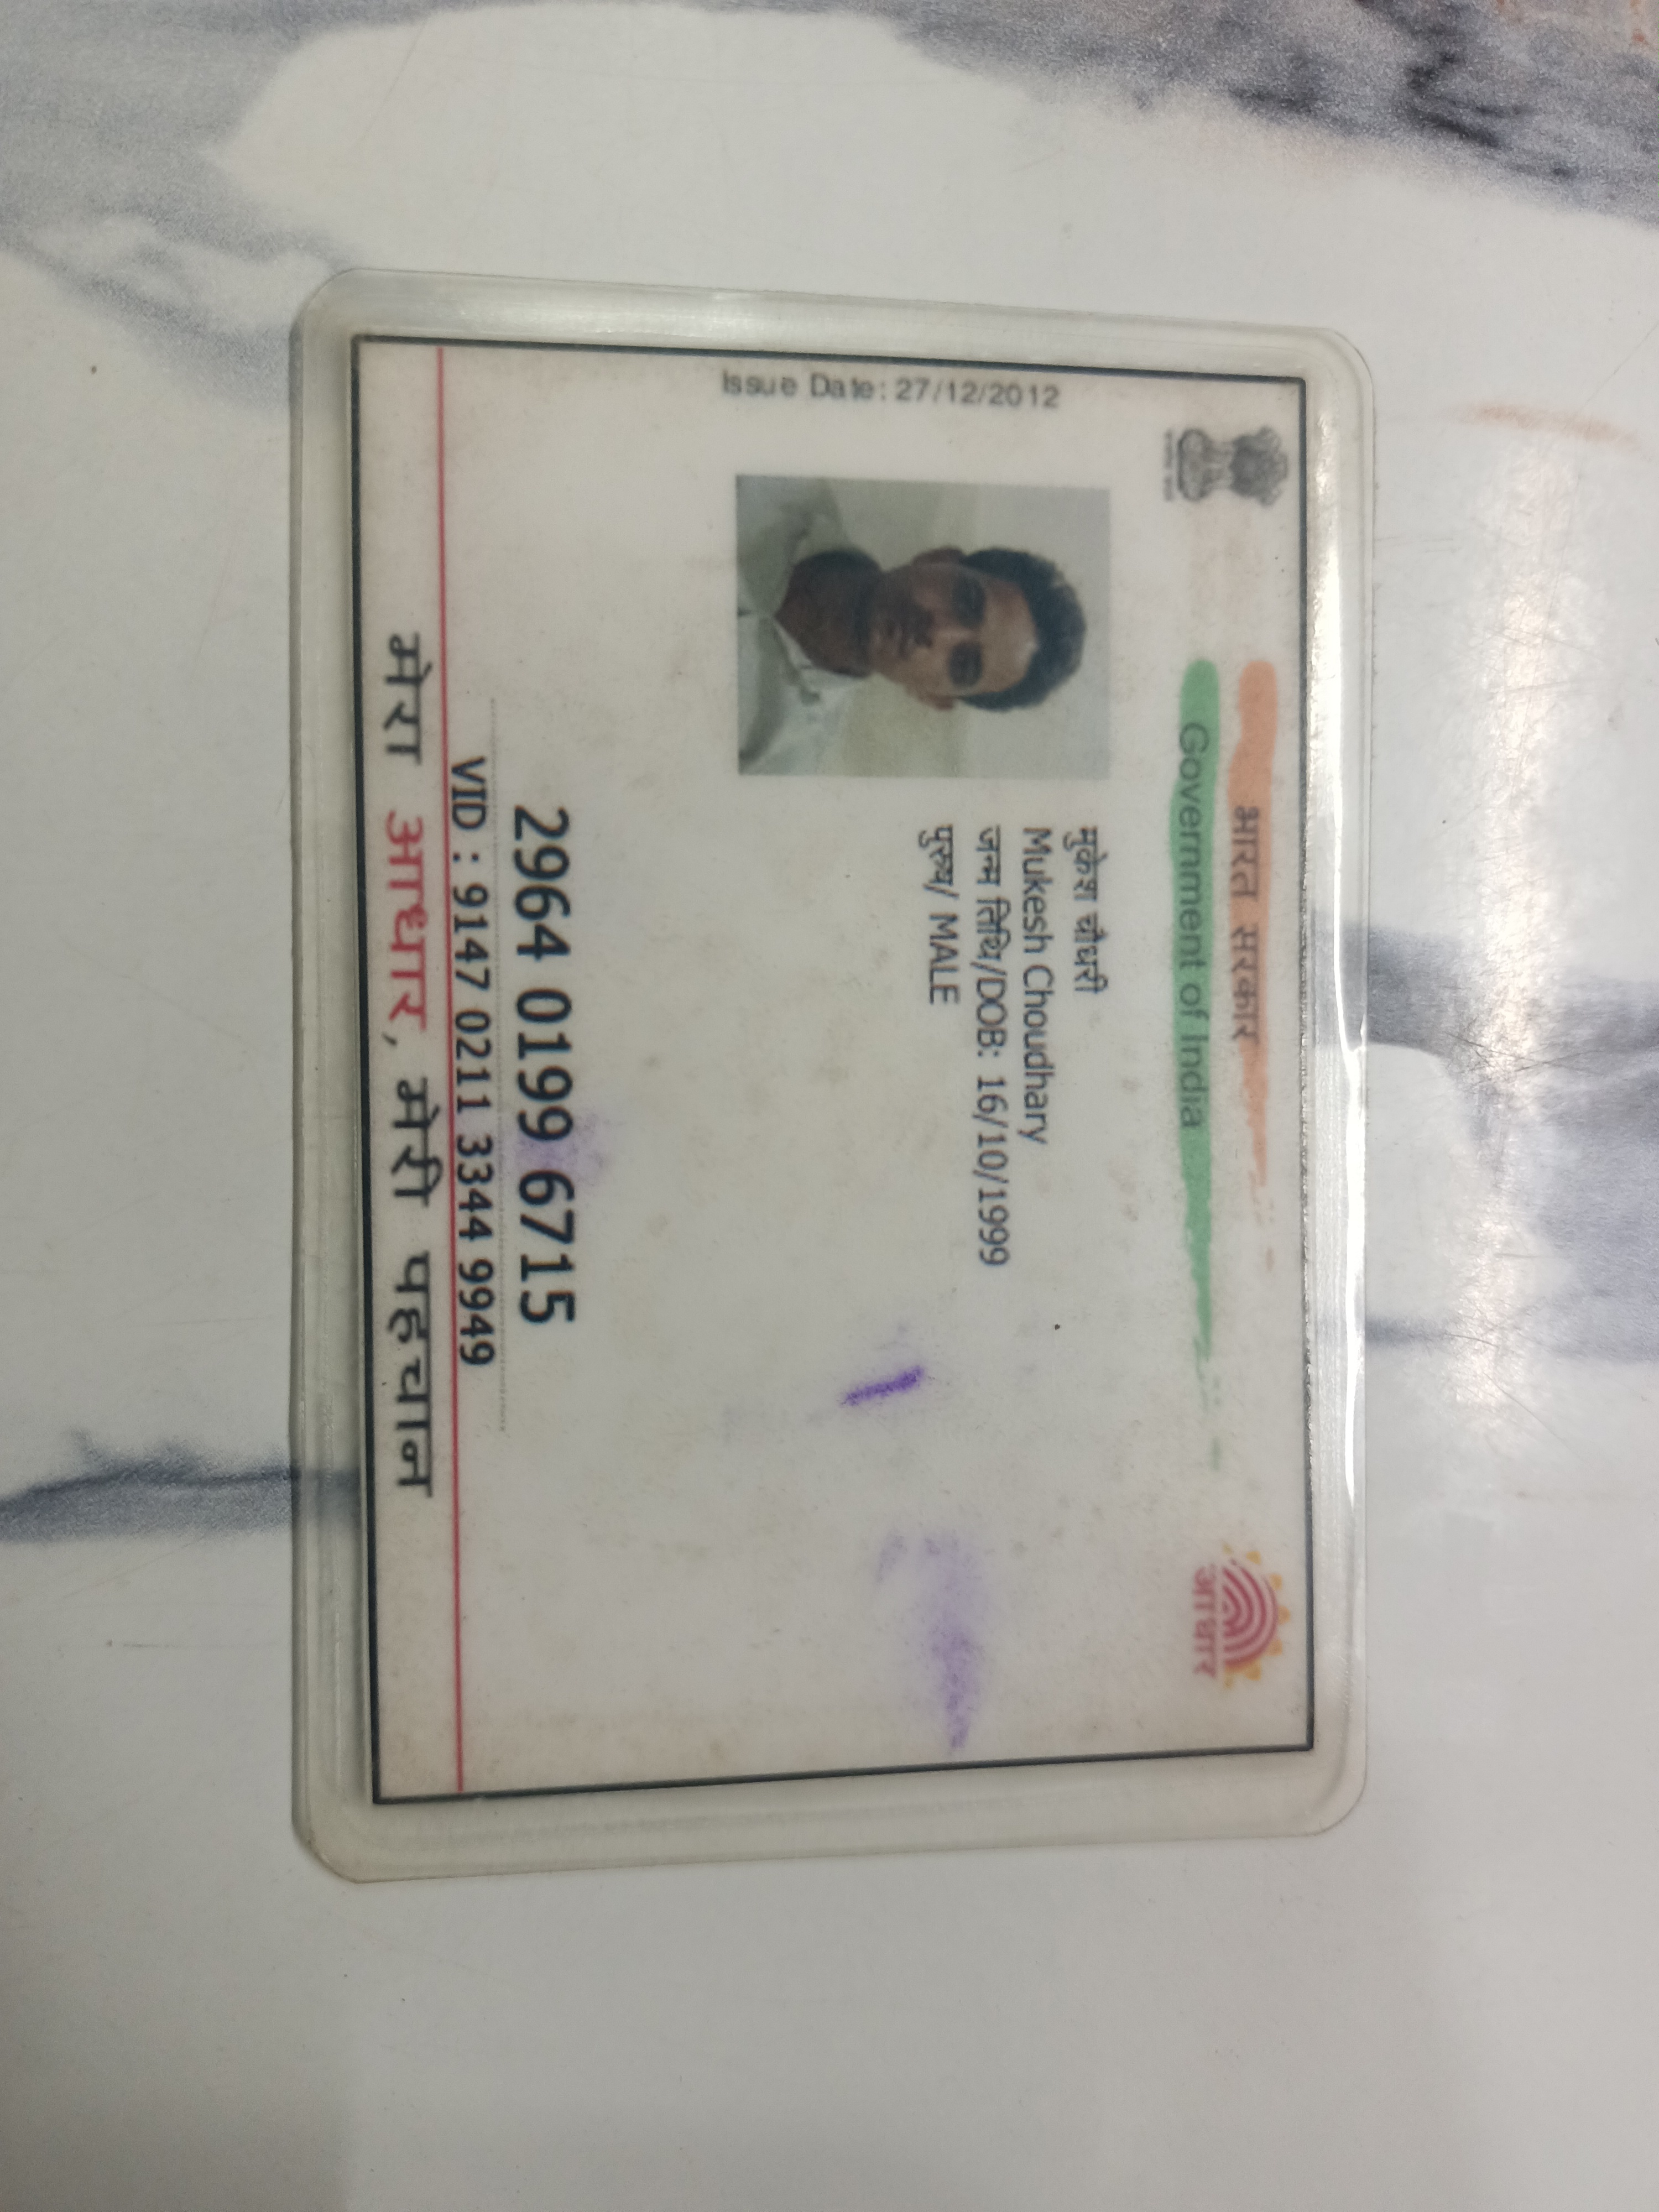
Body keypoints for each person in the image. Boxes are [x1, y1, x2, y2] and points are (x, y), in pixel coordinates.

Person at [737, 478, 1087, 774]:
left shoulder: (780, 762)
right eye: (966, 602)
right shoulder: (771, 481)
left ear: (934, 697)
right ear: (938, 558)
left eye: (963, 664)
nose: (938, 632)